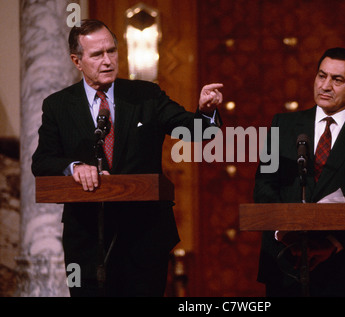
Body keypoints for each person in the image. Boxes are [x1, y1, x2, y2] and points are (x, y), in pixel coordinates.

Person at [31, 19, 223, 297]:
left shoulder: (146, 95)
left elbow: (196, 130)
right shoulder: (58, 106)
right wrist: (74, 167)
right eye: (97, 54)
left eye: (112, 51)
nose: (107, 61)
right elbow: (42, 162)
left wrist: (205, 111)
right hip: (86, 240)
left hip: (144, 236)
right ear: (77, 61)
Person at [254, 47, 345, 297]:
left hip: (344, 268)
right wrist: (286, 235)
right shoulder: (283, 125)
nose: (326, 85)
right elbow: (264, 186)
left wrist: (330, 243)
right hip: (285, 264)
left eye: (337, 79)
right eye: (322, 76)